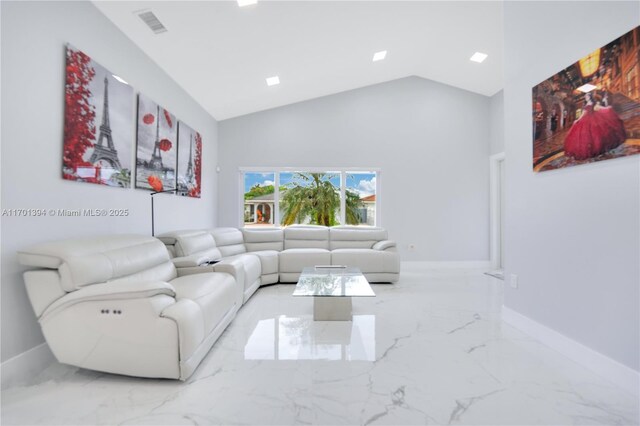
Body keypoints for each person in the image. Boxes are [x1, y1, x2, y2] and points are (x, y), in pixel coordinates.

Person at [563, 91, 626, 160]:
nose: (586, 97)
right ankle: (595, 149)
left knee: (592, 135)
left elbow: (585, 113)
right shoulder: (591, 103)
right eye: (585, 96)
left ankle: (594, 150)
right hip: (590, 118)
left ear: (590, 97)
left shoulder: (590, 104)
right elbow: (592, 110)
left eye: (587, 96)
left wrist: (577, 120)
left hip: (588, 119)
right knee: (591, 135)